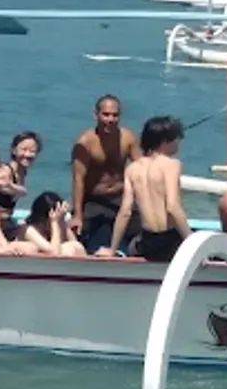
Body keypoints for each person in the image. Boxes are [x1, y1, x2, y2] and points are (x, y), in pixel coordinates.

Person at [107, 116, 189, 263]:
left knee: (133, 245)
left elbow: (125, 211)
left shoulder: (132, 168)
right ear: (165, 142)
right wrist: (191, 242)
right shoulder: (171, 164)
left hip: (148, 242)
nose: (178, 144)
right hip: (170, 241)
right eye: (177, 139)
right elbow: (172, 207)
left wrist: (112, 249)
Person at [70, 95, 141, 253]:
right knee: (78, 233)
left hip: (120, 197)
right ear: (96, 115)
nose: (111, 119)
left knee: (146, 228)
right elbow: (78, 180)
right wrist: (77, 215)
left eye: (115, 115)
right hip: (93, 200)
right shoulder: (85, 142)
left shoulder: (128, 138)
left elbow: (141, 169)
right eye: (106, 114)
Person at [18, 191, 88, 257]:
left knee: (74, 246)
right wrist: (54, 222)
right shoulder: (28, 230)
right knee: (68, 248)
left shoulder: (59, 224)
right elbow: (54, 253)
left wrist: (62, 221)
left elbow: (77, 245)